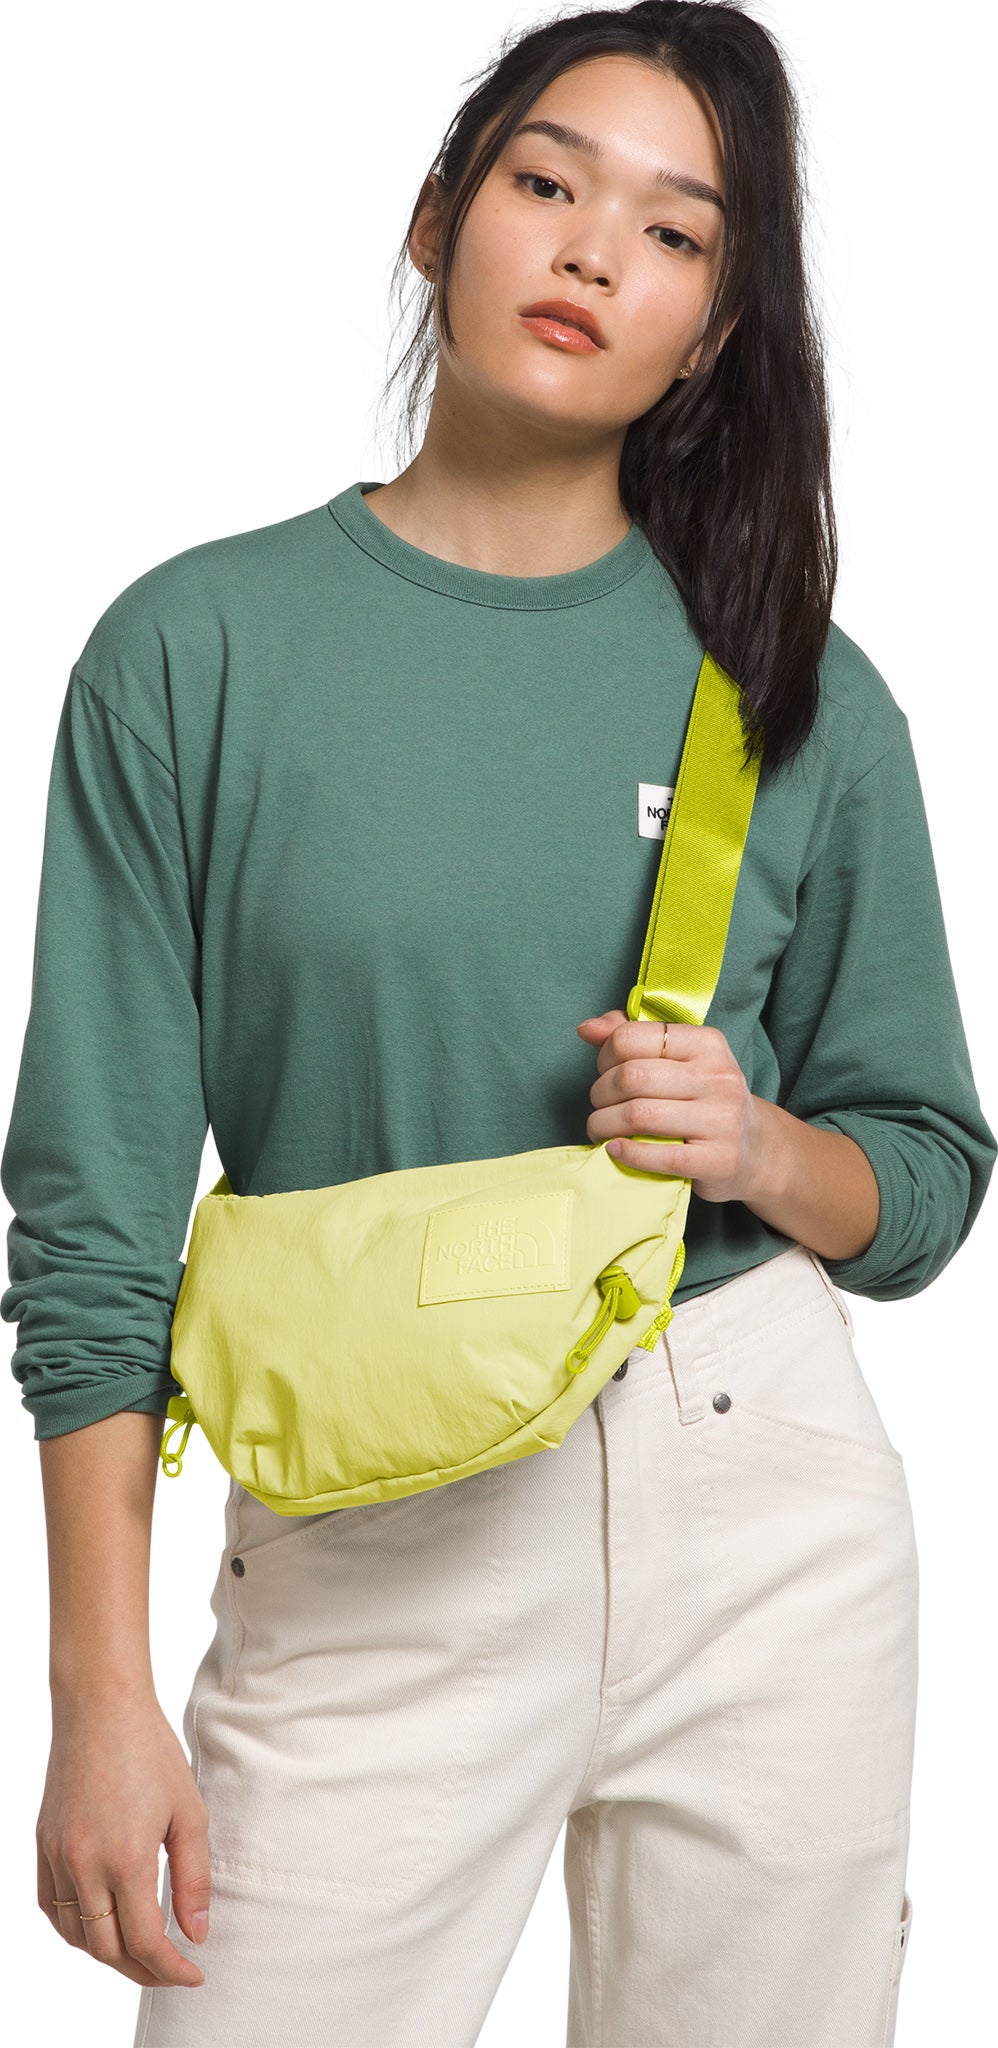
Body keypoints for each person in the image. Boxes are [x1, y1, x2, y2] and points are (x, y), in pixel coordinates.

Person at [3, 3, 995, 2043]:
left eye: (674, 232)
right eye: (546, 183)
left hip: (756, 1488)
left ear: (713, 329)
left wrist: (758, 1145)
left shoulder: (792, 694)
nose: (592, 251)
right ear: (436, 216)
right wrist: (98, 1692)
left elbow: (920, 1181)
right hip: (372, 1509)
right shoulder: (194, 650)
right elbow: (92, 1213)